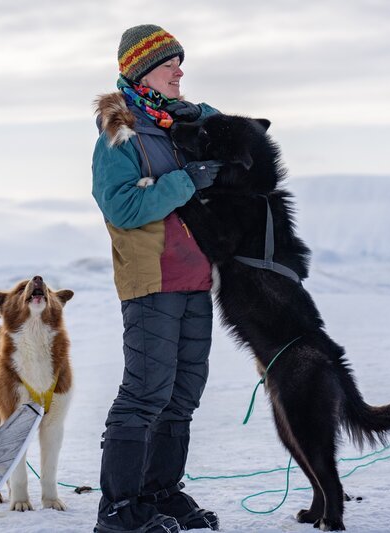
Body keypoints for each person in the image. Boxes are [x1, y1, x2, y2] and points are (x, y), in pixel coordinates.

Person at [91, 24, 222, 533]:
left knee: (184, 393)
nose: (180, 72)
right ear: (144, 71)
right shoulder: (119, 133)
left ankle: (160, 494)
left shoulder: (183, 122)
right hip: (152, 280)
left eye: (180, 64)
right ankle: (120, 509)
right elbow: (122, 206)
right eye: (171, 64)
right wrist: (187, 181)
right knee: (146, 392)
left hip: (195, 277)